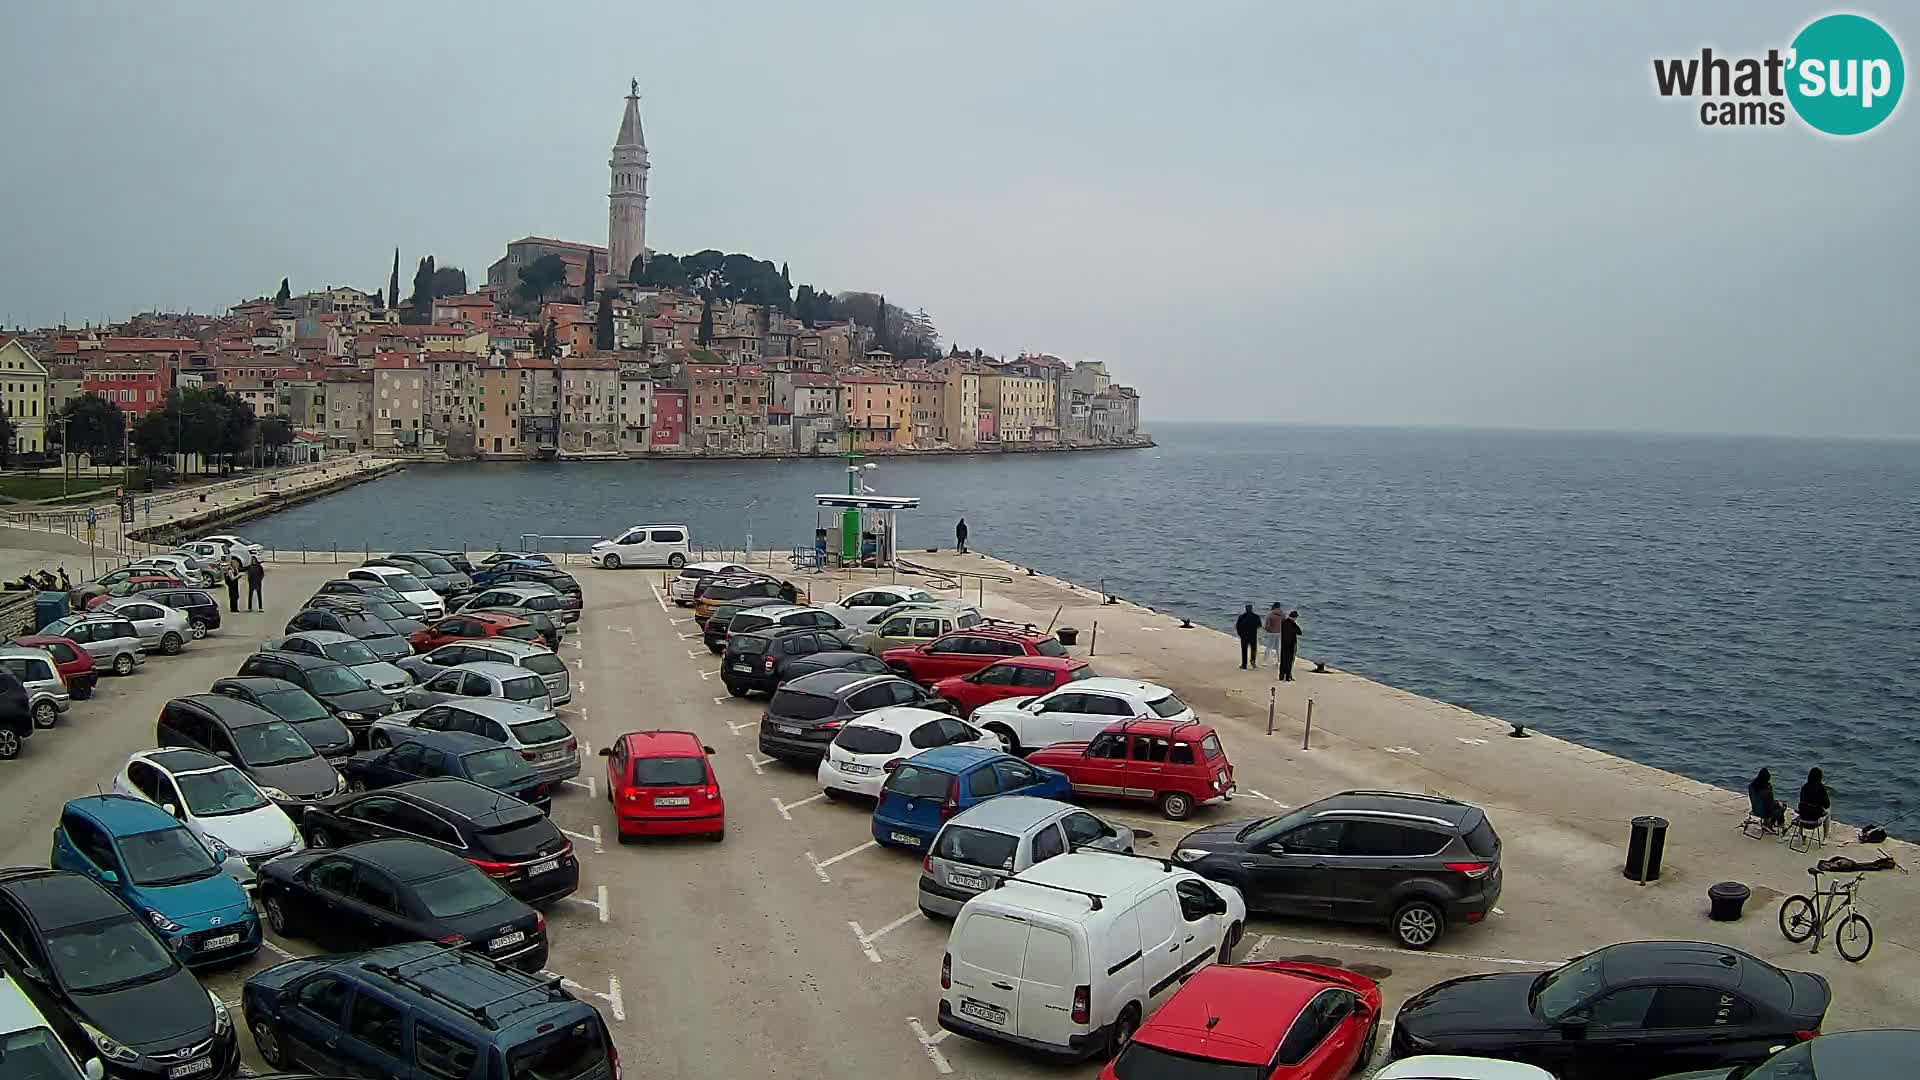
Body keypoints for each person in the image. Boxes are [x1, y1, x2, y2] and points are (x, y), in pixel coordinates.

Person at [1234, 604, 1261, 669]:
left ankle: (1244, 665)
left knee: (1244, 650)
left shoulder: (1241, 617)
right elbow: (1259, 625)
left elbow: (1237, 626)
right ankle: (1253, 662)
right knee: (1253, 650)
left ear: (1245, 609)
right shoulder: (1256, 616)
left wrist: (1240, 634)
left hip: (1244, 636)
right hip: (1253, 635)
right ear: (1251, 609)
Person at [1279, 609, 1302, 681]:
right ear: (1295, 618)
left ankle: (1281, 676)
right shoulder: (1293, 624)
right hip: (1291, 644)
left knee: (1283, 660)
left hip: (1283, 644)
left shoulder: (1283, 622)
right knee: (1289, 661)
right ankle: (1288, 676)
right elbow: (1299, 632)